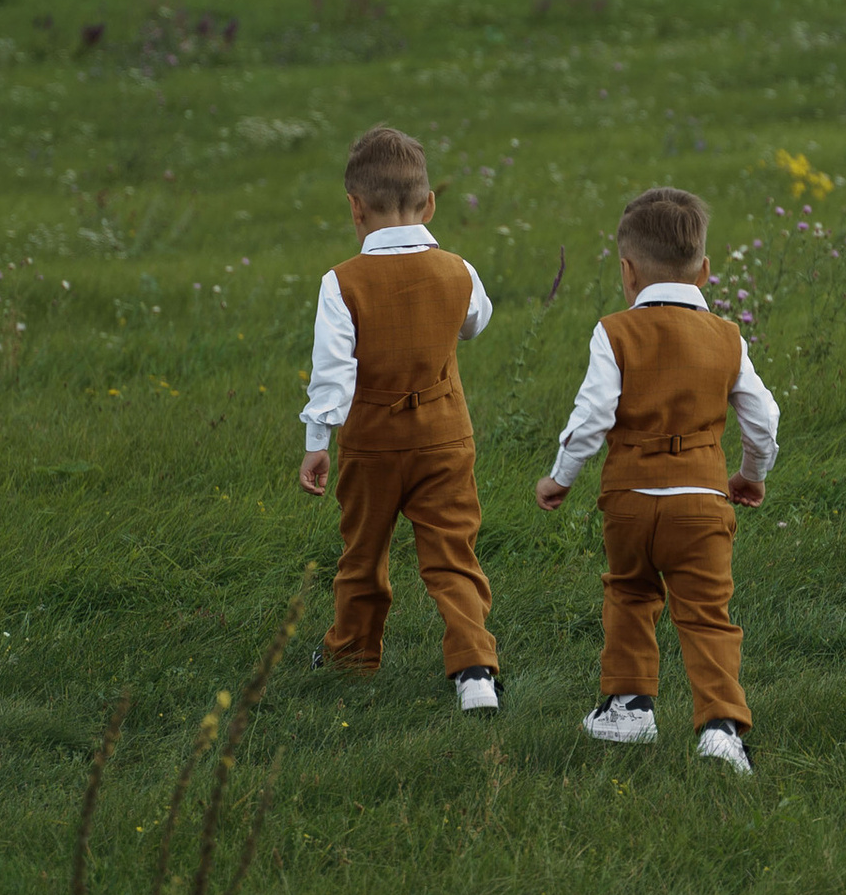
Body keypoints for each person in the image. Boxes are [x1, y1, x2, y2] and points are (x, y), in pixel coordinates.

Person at [535, 182, 780, 772]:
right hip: (702, 499)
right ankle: (721, 727)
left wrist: (561, 478)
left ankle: (629, 707)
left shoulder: (614, 332)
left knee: (630, 590)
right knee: (705, 613)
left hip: (630, 501)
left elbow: (591, 416)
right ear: (705, 270)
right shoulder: (727, 336)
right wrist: (750, 474)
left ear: (627, 271)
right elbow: (764, 418)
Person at [298, 123, 500, 712]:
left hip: (373, 444)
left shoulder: (342, 283)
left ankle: (353, 655)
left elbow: (332, 373)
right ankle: (475, 670)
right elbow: (475, 323)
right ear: (430, 203)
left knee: (363, 552)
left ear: (355, 208)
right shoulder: (458, 270)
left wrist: (318, 441)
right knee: (452, 553)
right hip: (445, 438)